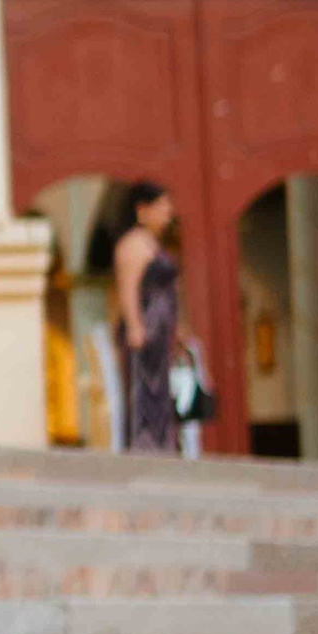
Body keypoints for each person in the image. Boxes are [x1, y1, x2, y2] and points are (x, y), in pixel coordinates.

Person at [114, 181, 190, 454]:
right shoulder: (132, 245)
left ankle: (163, 443)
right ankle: (143, 445)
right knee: (143, 389)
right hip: (145, 330)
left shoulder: (154, 244)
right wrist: (135, 326)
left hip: (161, 331)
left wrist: (177, 330)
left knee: (161, 391)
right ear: (142, 210)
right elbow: (128, 288)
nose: (167, 214)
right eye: (162, 208)